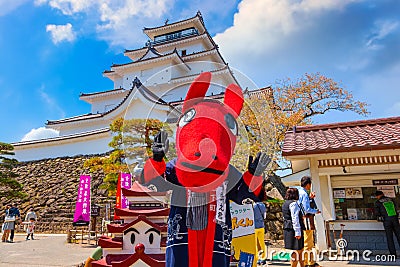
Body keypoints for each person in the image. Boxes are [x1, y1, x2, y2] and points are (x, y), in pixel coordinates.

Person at [298, 176, 321, 267]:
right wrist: (316, 211)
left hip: (302, 219)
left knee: (306, 242)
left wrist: (310, 198)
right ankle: (309, 262)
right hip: (307, 220)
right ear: (308, 184)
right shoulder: (304, 194)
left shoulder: (299, 192)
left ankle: (306, 261)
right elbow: (306, 209)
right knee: (308, 242)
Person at [283, 188, 305, 267]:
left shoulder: (285, 204)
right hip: (294, 229)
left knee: (300, 250)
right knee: (296, 251)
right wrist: (298, 232)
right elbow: (295, 218)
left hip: (287, 228)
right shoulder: (293, 204)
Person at [374, 190, 400, 256]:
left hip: (387, 221)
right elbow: (397, 209)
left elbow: (377, 213)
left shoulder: (378, 202)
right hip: (395, 220)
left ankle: (393, 254)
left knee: (390, 238)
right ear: (383, 194)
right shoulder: (391, 200)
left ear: (377, 196)